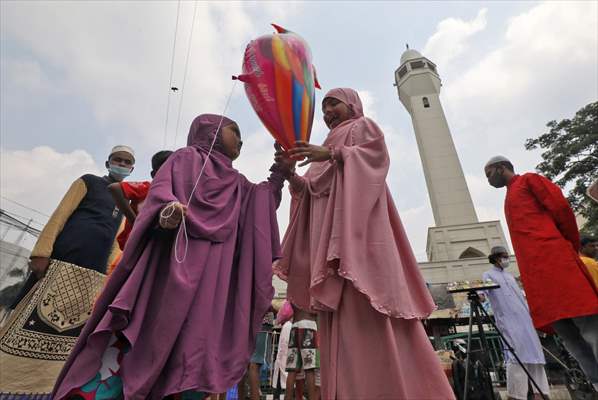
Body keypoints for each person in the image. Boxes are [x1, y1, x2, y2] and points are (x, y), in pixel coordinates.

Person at [52, 114, 293, 399]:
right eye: (234, 131)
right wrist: (167, 210)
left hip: (212, 280)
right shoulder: (186, 158)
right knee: (153, 330)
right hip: (172, 265)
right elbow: (162, 191)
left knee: (194, 342)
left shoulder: (239, 184)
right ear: (210, 131)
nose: (240, 139)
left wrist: (281, 170)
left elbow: (260, 204)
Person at [274, 88, 455, 399]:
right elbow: (314, 191)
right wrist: (291, 174)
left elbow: (375, 158)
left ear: (352, 104)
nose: (328, 111)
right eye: (325, 108)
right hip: (327, 248)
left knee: (370, 312)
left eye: (334, 104)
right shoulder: (327, 145)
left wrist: (331, 154)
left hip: (359, 239)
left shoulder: (361, 127)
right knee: (339, 326)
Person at [0, 145, 134, 395]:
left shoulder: (127, 201)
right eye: (118, 160)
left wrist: (108, 279)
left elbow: (118, 241)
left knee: (70, 340)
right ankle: (10, 385)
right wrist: (41, 253)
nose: (122, 165)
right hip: (59, 266)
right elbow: (60, 215)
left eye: (127, 162)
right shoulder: (89, 182)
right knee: (29, 324)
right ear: (108, 162)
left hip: (93, 279)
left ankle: (48, 389)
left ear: (132, 169)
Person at [484, 156, 598, 391]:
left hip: (558, 265)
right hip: (538, 279)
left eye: (489, 173)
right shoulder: (509, 197)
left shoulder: (529, 181)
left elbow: (561, 210)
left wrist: (565, 245)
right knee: (570, 338)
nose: (488, 179)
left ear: (502, 167)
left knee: (589, 326)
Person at [481, 246, 550, 400]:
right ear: (496, 258)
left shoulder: (510, 277)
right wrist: (479, 295)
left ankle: (541, 394)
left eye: (507, 256)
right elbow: (483, 292)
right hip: (509, 323)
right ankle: (516, 396)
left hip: (526, 321)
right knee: (516, 357)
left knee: (536, 357)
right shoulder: (488, 275)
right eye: (504, 256)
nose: (507, 259)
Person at [106, 150, 172, 275]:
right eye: (167, 167)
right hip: (135, 249)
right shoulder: (148, 188)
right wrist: (134, 221)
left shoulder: (176, 196)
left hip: (153, 251)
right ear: (154, 174)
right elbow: (115, 188)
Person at [285, 305, 319, 400]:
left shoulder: (292, 289)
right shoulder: (310, 289)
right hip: (309, 325)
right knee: (309, 369)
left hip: (295, 325)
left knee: (292, 370)